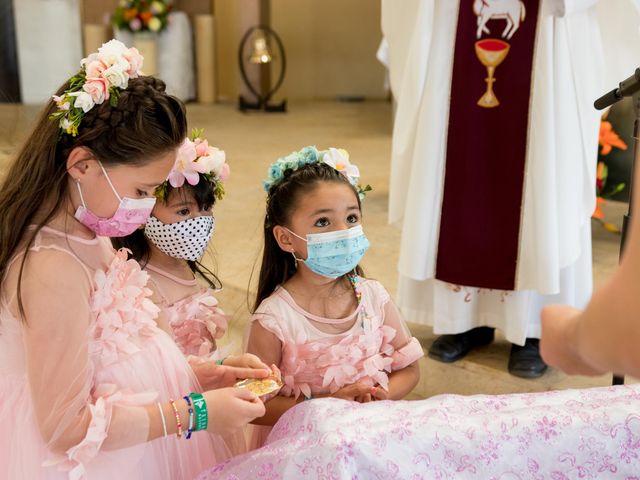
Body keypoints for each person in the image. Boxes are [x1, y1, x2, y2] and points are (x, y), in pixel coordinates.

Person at [0, 40, 267, 479]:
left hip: (139, 444)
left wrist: (204, 375)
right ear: (81, 165)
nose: (144, 208)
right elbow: (65, 427)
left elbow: (122, 358)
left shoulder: (90, 232)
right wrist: (194, 414)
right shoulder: (53, 268)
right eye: (142, 191)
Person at [380, 0, 607, 378]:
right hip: (456, 28)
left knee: (541, 173)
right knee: (457, 159)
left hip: (546, 37)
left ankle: (534, 330)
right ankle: (465, 320)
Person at [244, 146, 424, 447]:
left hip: (372, 436)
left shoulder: (373, 297)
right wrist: (328, 404)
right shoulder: (273, 319)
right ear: (286, 238)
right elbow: (255, 404)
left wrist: (377, 399)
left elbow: (409, 369)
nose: (343, 231)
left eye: (352, 218)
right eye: (324, 222)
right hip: (304, 448)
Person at [112, 129, 273, 456]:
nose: (197, 222)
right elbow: (159, 366)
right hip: (176, 413)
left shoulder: (186, 268)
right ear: (143, 213)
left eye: (204, 211)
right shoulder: (140, 281)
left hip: (207, 400)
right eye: (183, 213)